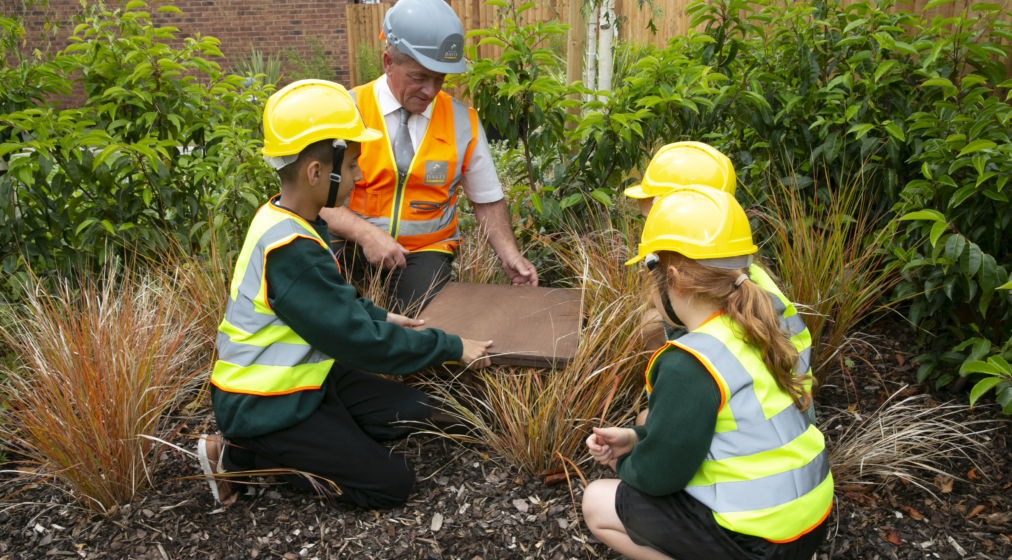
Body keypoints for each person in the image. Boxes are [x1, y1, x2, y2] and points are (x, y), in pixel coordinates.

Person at [196, 80, 494, 509]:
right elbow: (360, 343)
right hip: (264, 405)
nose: (359, 176)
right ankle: (240, 455)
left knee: (412, 410)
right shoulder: (289, 249)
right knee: (391, 483)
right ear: (317, 173)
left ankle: (324, 439)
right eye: (353, 165)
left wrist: (382, 316)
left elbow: (335, 302)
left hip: (306, 378)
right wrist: (450, 346)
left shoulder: (292, 215)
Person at [582, 187, 833, 560]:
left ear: (674, 280)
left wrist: (624, 462)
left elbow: (658, 476)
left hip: (761, 545)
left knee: (597, 502)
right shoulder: (759, 323)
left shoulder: (690, 362)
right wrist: (638, 437)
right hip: (810, 524)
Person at [319, 0, 538, 314]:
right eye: (419, 77)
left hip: (425, 251)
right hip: (348, 241)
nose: (431, 91)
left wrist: (510, 256)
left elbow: (487, 201)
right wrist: (366, 234)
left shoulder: (463, 123)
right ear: (387, 62)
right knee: (332, 315)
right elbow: (317, 201)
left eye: (440, 79)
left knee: (415, 326)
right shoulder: (345, 111)